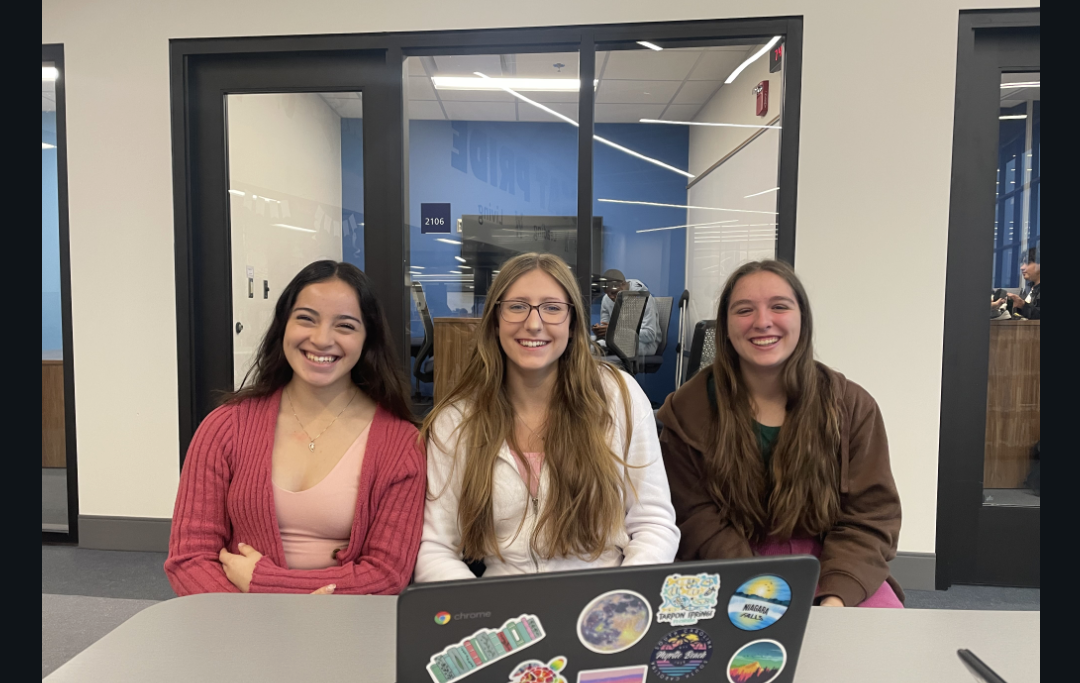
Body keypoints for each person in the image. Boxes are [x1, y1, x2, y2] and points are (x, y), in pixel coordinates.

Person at [165, 261, 425, 595]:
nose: (322, 339)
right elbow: (190, 558)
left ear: (367, 339)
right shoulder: (225, 427)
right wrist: (251, 618)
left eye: (345, 326)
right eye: (306, 319)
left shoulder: (401, 445)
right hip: (234, 619)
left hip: (344, 621)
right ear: (283, 325)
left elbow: (386, 573)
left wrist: (265, 583)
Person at [415, 253, 679, 581]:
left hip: (602, 599)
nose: (534, 323)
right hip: (499, 604)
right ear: (495, 320)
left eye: (552, 308)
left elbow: (654, 524)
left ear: (572, 322)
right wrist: (478, 607)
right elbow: (436, 547)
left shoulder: (618, 396)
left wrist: (620, 600)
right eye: (517, 306)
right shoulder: (457, 419)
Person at [657, 259, 904, 608]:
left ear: (802, 318)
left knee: (869, 637)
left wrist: (835, 598)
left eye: (779, 306)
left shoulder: (851, 406)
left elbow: (869, 517)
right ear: (725, 326)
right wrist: (757, 590)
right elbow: (696, 517)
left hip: (832, 561)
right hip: (725, 561)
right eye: (744, 310)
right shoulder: (687, 411)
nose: (762, 321)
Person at [592, 268, 662, 357]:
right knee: (586, 342)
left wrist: (616, 331)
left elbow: (650, 335)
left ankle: (601, 349)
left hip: (644, 344)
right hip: (616, 341)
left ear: (623, 284)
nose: (611, 297)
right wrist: (600, 332)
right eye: (607, 293)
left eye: (614, 292)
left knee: (602, 348)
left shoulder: (643, 298)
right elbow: (607, 331)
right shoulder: (606, 299)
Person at [1006, 247, 1040, 319]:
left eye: (1027, 263)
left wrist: (1023, 305)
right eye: (1022, 263)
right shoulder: (1027, 289)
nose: (1022, 267)